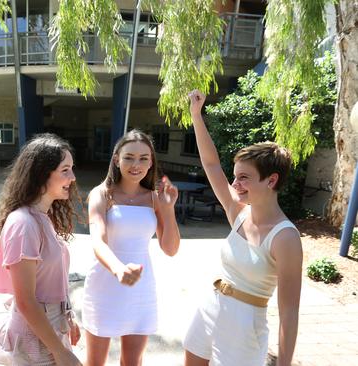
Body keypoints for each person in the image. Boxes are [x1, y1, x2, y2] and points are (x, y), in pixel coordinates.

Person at [183, 90, 302, 366]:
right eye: (235, 177)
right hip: (210, 307)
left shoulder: (285, 237)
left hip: (246, 325)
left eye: (244, 178)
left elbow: (289, 312)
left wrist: (284, 363)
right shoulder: (238, 211)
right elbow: (211, 165)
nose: (235, 185)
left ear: (271, 180)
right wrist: (196, 116)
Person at [81, 129, 181, 366]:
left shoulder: (155, 198)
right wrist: (118, 269)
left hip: (141, 288)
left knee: (133, 362)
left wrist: (168, 209)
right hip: (104, 285)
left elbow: (171, 249)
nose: (136, 164)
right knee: (95, 363)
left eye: (143, 158)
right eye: (129, 157)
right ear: (117, 159)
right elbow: (98, 240)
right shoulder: (101, 194)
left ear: (151, 162)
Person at [0, 133, 82, 366]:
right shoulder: (23, 224)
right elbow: (26, 301)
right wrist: (60, 352)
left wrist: (68, 316)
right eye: (65, 170)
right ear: (42, 174)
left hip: (50, 326)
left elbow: (50, 281)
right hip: (36, 336)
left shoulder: (42, 218)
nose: (72, 177)